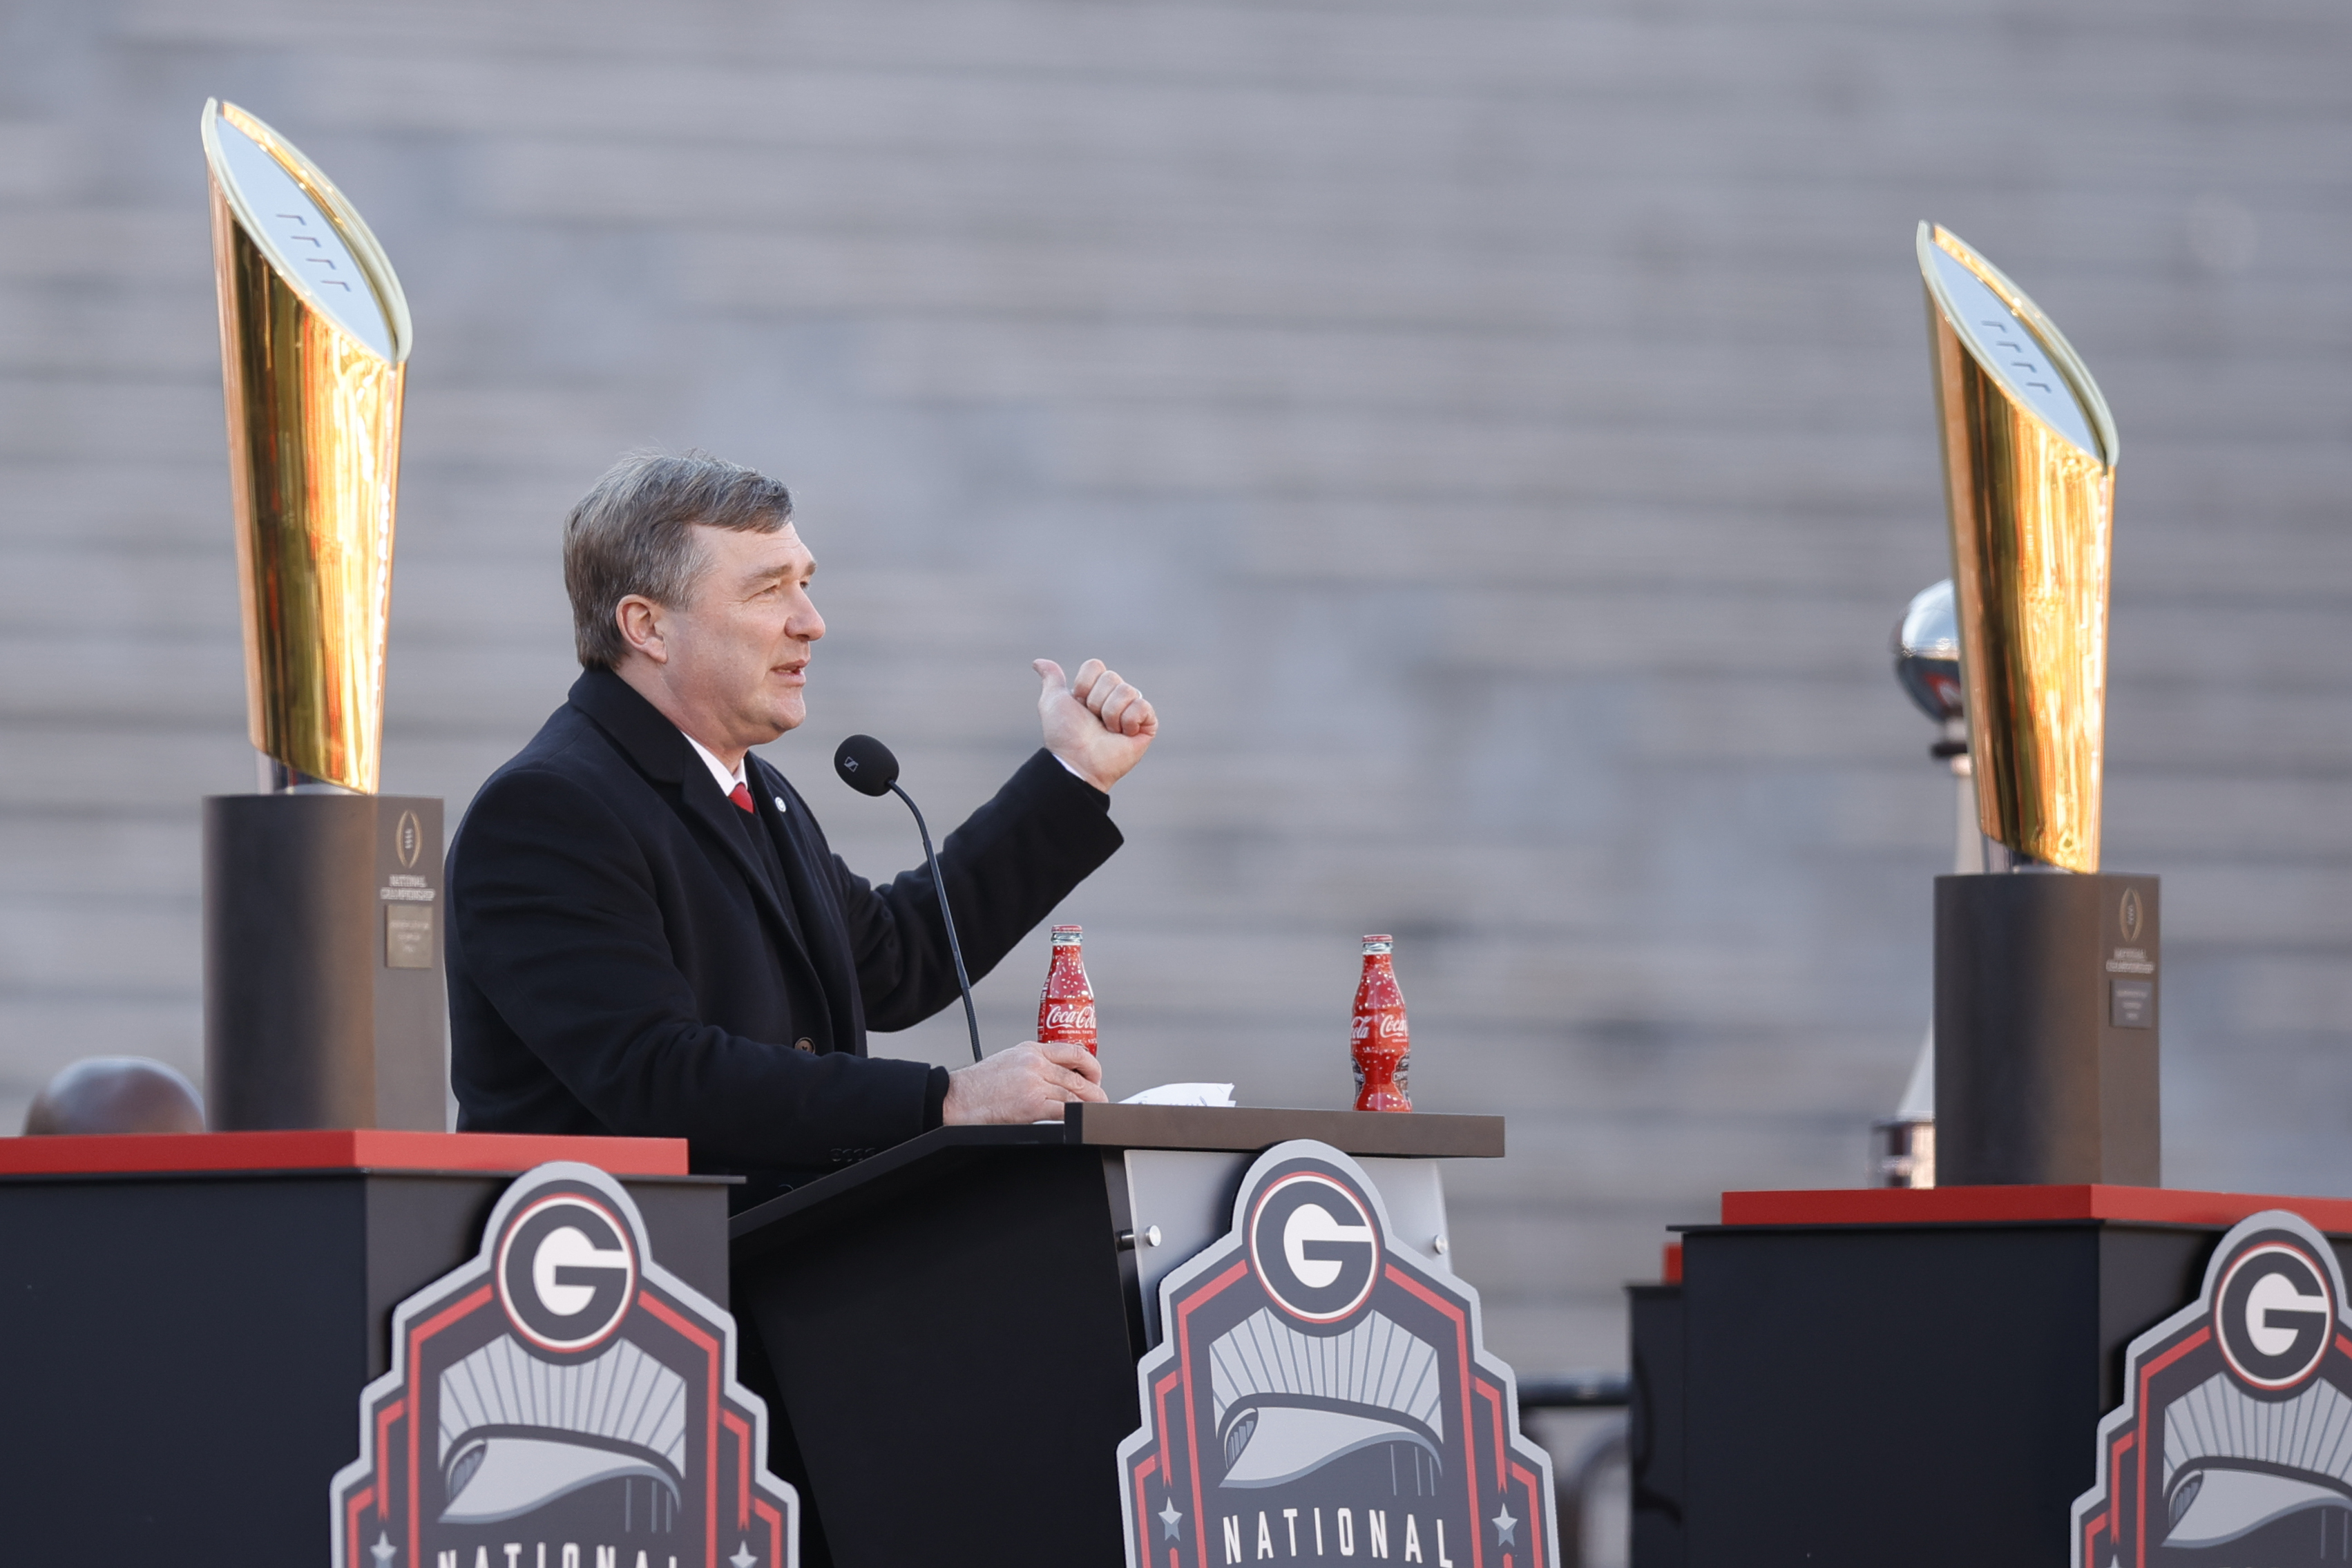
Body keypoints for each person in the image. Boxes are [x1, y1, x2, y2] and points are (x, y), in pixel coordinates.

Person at [446, 452, 1156, 1203]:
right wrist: (948, 1100)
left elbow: (896, 957)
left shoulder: (751, 787)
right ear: (647, 625)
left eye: (806, 583)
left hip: (772, 1278)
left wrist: (1076, 772)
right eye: (767, 591)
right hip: (618, 1292)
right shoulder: (547, 809)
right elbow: (659, 1074)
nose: (811, 622)